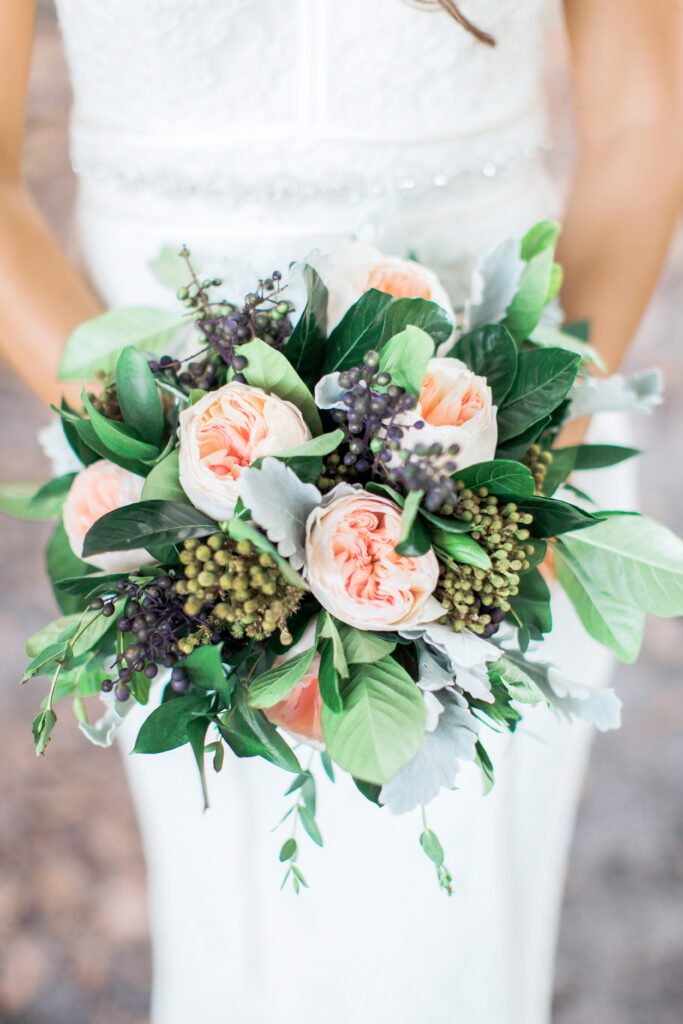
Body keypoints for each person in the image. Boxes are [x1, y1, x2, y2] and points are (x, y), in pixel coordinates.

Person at [1, 2, 681, 1022]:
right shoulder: (164, 489)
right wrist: (160, 477)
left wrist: (516, 483)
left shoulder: (508, 479)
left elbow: (642, 117)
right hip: (166, 476)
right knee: (237, 924)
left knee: (452, 941)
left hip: (491, 446)